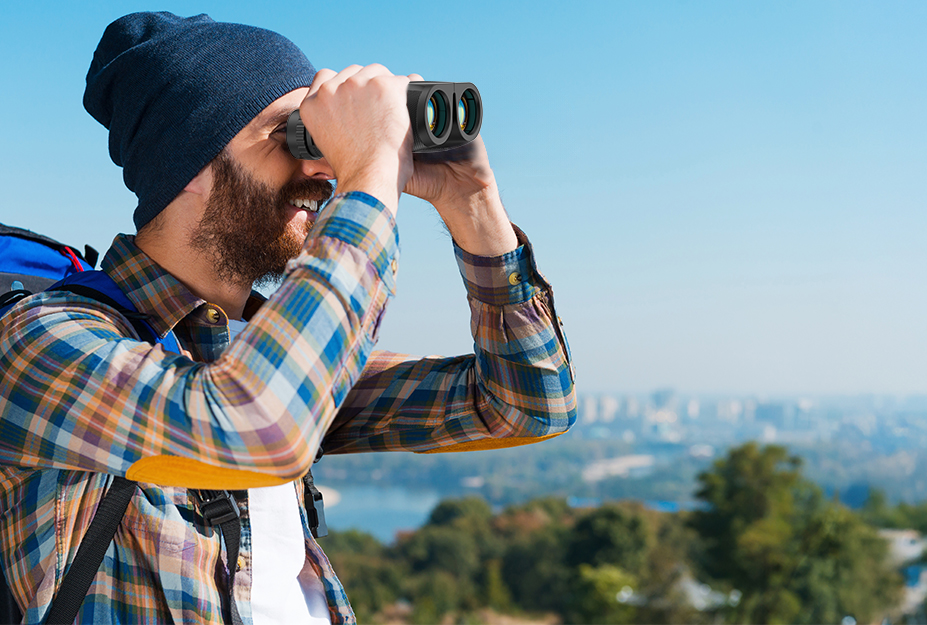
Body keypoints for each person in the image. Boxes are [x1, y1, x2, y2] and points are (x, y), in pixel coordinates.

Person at [0, 11, 575, 623]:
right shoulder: (43, 341)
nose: (323, 167)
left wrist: (474, 203)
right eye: (294, 136)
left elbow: (526, 404)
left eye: (326, 142)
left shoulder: (258, 351)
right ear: (190, 164)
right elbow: (260, 422)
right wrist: (372, 173)